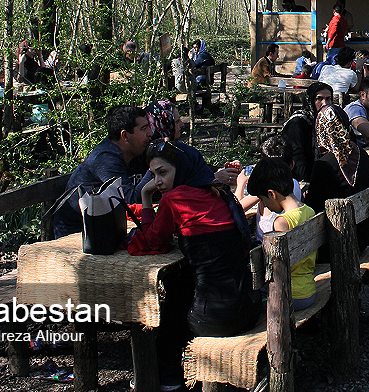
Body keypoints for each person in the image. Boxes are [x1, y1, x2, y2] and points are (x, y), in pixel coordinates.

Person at [128, 142, 260, 390]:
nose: (157, 180)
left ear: (182, 168)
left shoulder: (174, 199)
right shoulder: (220, 193)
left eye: (163, 172)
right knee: (182, 284)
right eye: (153, 174)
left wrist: (146, 198)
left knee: (171, 312)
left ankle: (168, 380)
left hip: (215, 318)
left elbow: (152, 242)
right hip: (248, 307)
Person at [53, 105, 152, 238]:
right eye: (143, 129)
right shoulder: (105, 159)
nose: (150, 133)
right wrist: (154, 169)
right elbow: (131, 203)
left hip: (107, 226)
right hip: (78, 234)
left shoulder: (135, 152)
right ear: (125, 135)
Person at [246, 158, 317, 310]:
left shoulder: (281, 222)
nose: (264, 205)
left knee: (246, 305)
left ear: (272, 194)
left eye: (263, 199)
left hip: (289, 295)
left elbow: (277, 267)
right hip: (308, 290)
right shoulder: (309, 211)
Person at [304, 105, 369, 214]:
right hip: (364, 221)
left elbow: (314, 205)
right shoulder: (360, 153)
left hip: (337, 225)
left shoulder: (325, 164)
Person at [234, 135, 303, 242]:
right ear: (292, 165)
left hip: (265, 248)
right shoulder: (294, 184)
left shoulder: (269, 186)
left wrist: (240, 184)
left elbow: (237, 209)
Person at [281, 82, 334, 182]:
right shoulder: (297, 123)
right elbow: (296, 156)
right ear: (310, 100)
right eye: (319, 99)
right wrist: (305, 182)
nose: (325, 104)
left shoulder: (328, 121)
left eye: (328, 99)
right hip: (296, 179)